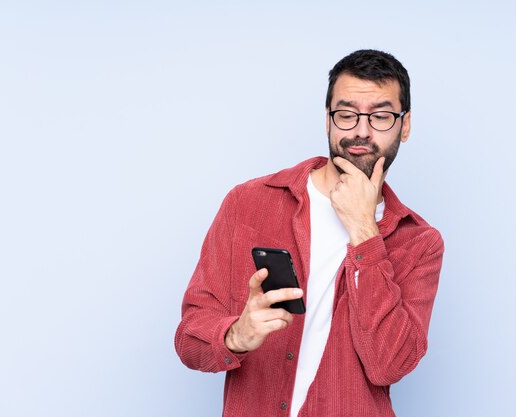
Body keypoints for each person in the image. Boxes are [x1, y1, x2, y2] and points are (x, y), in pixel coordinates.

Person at [175, 49, 444, 417]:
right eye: (347, 115)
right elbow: (190, 340)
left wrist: (364, 231)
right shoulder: (249, 204)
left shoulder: (419, 242)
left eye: (380, 116)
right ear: (328, 120)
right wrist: (236, 335)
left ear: (405, 124)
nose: (361, 131)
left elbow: (390, 365)